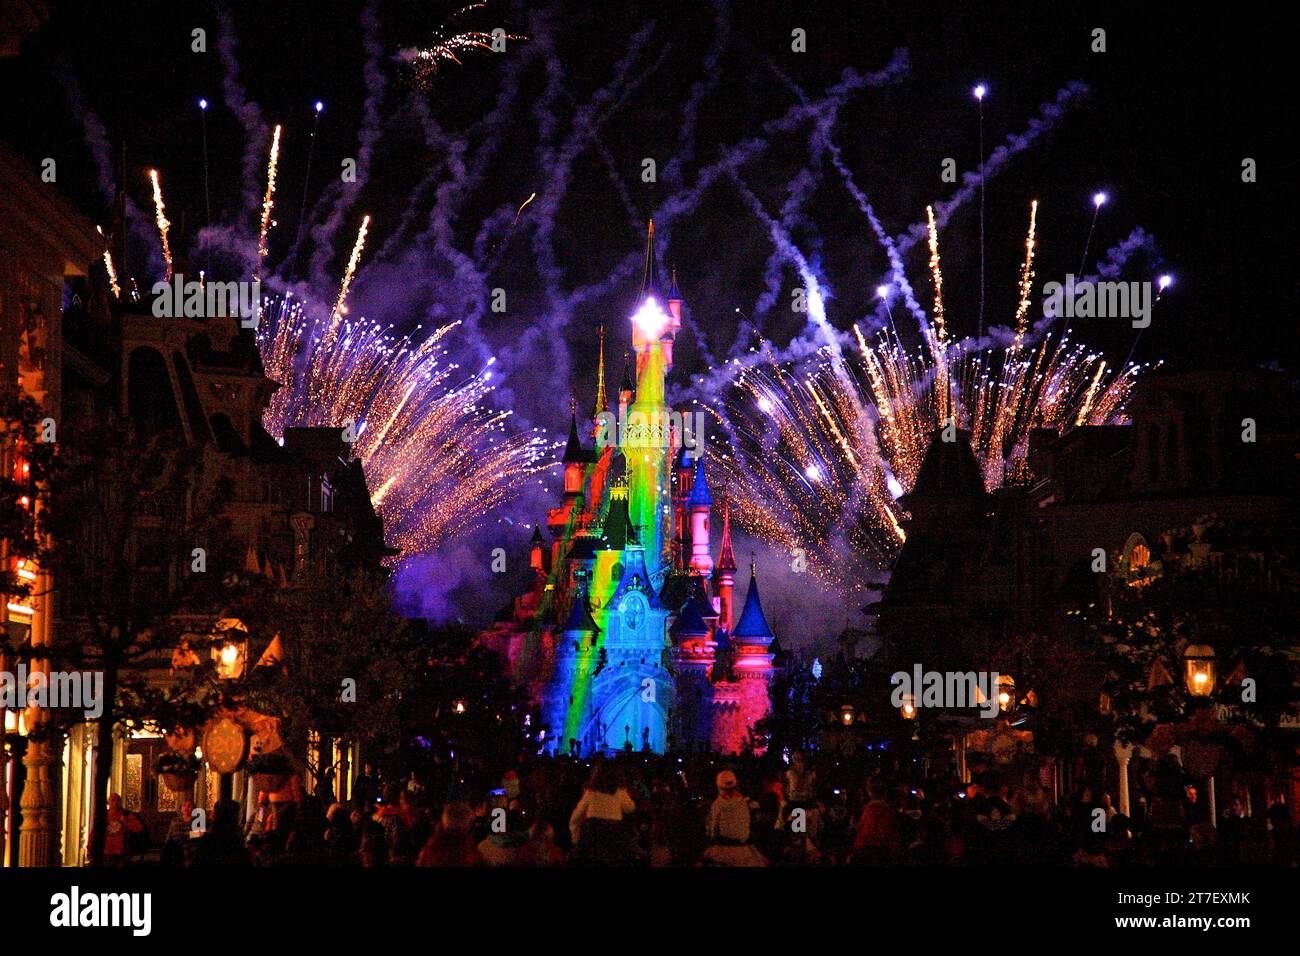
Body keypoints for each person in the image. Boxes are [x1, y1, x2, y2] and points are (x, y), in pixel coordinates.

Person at [568, 758, 638, 865]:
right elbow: (630, 808)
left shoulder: (590, 792)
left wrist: (576, 839)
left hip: (592, 837)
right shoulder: (619, 792)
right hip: (614, 838)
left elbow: (575, 818)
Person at [702, 770, 766, 867]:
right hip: (745, 851)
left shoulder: (718, 805)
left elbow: (712, 831)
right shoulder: (746, 803)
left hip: (723, 851)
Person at [852, 777, 901, 864]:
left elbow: (862, 829)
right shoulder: (887, 809)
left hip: (871, 849)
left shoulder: (870, 808)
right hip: (882, 849)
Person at [88, 793, 145, 866]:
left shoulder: (126, 815)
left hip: (122, 852)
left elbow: (139, 828)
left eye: (117, 800)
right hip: (106, 852)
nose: (115, 803)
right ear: (108, 802)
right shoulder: (104, 816)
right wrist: (90, 848)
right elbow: (94, 833)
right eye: (113, 800)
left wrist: (126, 822)